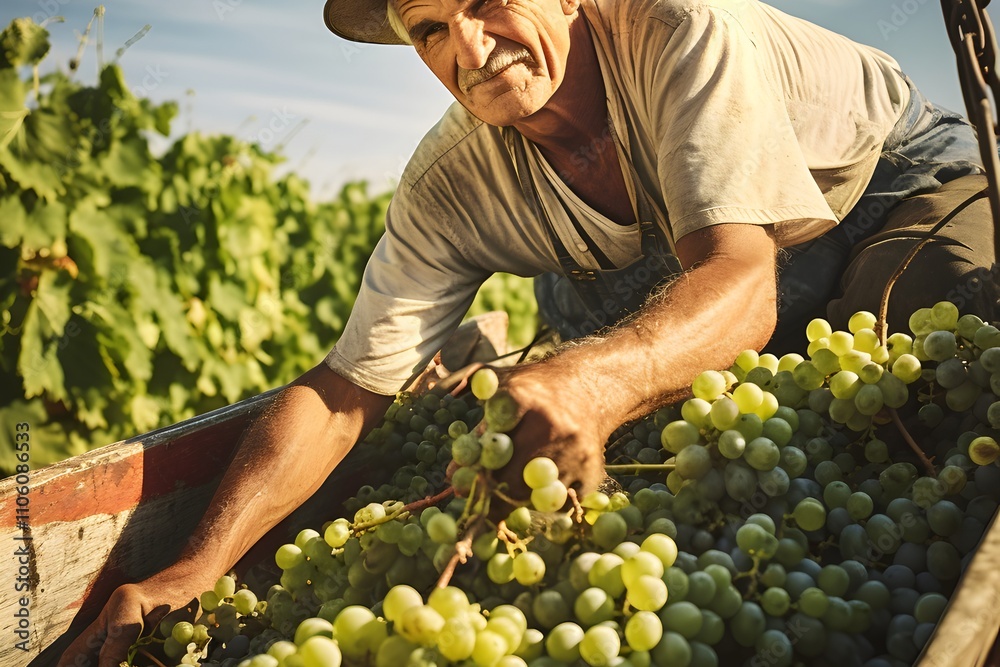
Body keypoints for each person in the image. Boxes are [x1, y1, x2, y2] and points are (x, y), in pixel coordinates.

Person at [59, 0, 998, 663]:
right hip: (696, 262)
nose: (470, 47)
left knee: (912, 363)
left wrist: (591, 382)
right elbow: (348, 388)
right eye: (430, 29)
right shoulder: (450, 182)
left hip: (881, 194)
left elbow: (741, 281)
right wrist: (195, 564)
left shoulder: (681, 25)